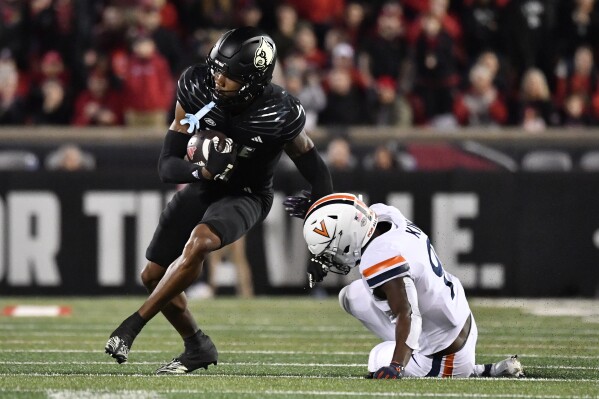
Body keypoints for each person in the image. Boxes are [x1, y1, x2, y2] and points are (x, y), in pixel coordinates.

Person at [104, 27, 333, 374]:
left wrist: (324, 222)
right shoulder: (196, 87)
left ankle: (132, 326)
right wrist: (202, 173)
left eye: (231, 75)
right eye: (217, 68)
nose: (218, 79)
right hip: (207, 187)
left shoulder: (279, 112)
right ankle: (197, 346)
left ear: (255, 81)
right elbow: (167, 165)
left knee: (200, 242)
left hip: (248, 194)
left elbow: (316, 171)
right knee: (152, 276)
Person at [301, 193, 524, 379]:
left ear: (347, 236)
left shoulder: (379, 258)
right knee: (351, 296)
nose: (331, 257)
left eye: (331, 249)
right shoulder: (383, 214)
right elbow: (349, 216)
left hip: (445, 352)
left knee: (378, 357)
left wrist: (397, 365)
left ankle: (473, 371)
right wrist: (317, 211)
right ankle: (480, 368)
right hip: (456, 317)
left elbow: (408, 313)